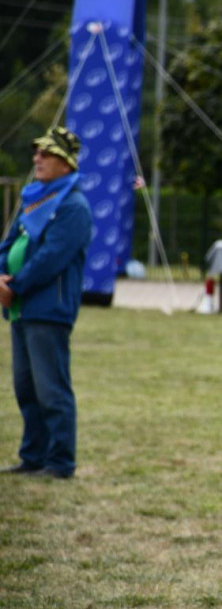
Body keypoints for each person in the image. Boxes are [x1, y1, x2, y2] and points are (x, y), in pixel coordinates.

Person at [0, 126, 92, 480]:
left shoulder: (73, 207)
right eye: (37, 151)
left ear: (66, 164)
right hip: (22, 307)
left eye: (46, 154)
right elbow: (10, 243)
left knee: (51, 388)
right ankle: (33, 456)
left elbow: (52, 257)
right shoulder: (34, 199)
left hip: (47, 308)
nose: (37, 158)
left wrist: (15, 285)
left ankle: (60, 462)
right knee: (25, 387)